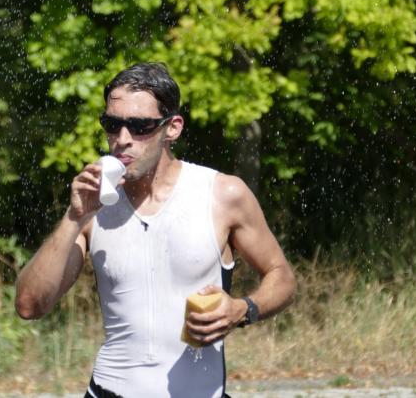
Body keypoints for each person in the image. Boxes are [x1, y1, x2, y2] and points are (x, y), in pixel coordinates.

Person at [15, 62, 296, 398]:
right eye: (112, 125)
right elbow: (29, 305)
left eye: (140, 127)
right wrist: (72, 217)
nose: (122, 140)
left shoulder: (223, 194)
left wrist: (242, 310)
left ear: (172, 128)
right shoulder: (93, 206)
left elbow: (282, 276)